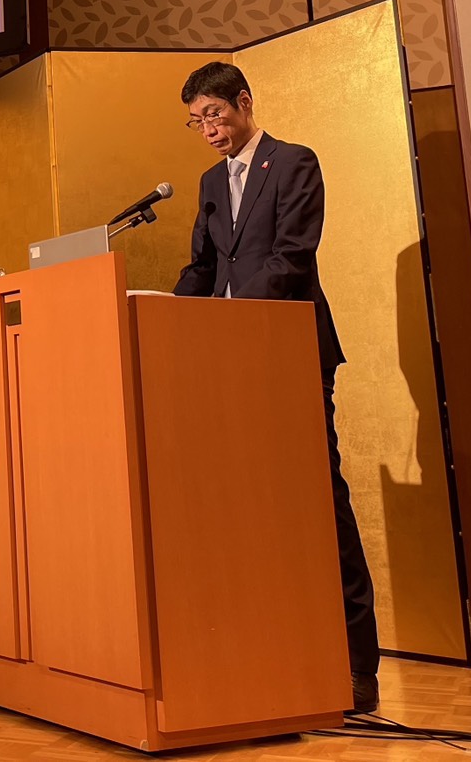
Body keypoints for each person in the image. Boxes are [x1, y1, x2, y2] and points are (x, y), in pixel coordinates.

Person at [172, 61, 380, 715]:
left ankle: (357, 664)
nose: (209, 130)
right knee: (244, 506)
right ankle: (266, 648)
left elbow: (292, 256)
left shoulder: (293, 162)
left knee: (319, 498)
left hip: (290, 353)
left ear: (244, 101)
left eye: (214, 114)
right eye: (197, 121)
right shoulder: (210, 183)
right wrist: (166, 314)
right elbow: (203, 267)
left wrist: (230, 317)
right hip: (228, 363)